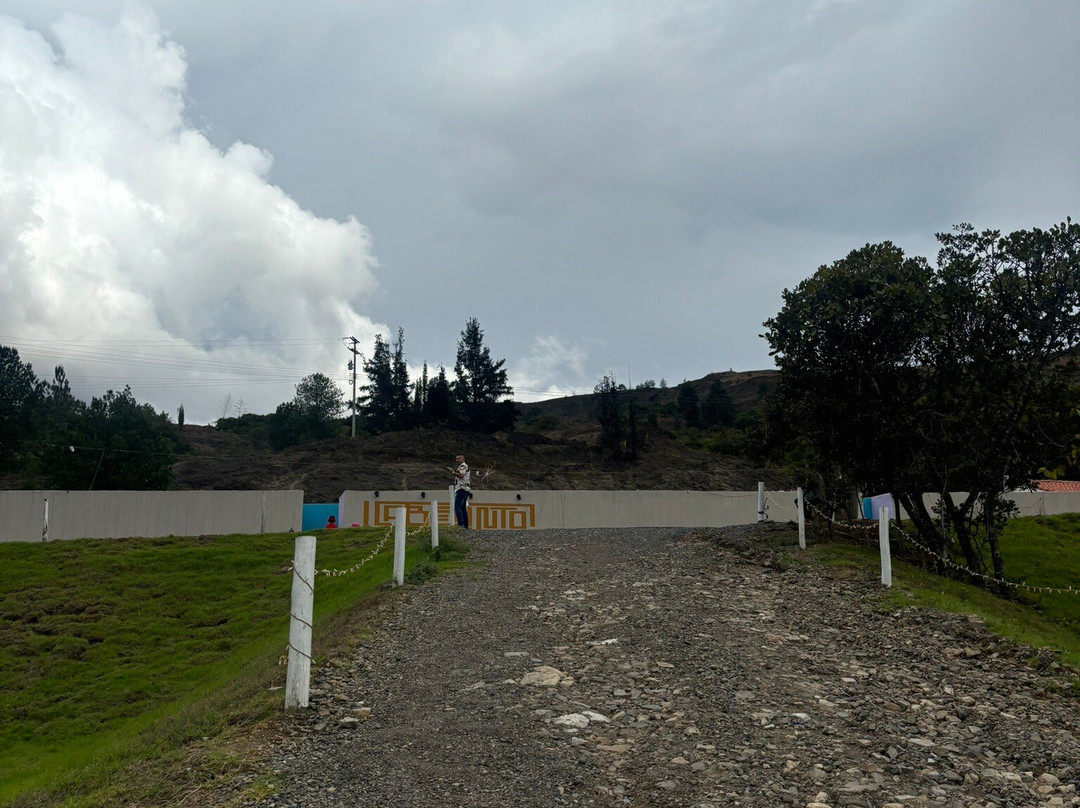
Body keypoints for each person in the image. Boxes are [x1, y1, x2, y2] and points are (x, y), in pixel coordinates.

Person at [453, 454, 471, 528]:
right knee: (463, 508)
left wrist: (453, 473)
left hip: (461, 488)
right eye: (456, 458)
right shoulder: (463, 466)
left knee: (457, 507)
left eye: (459, 458)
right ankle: (465, 525)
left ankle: (460, 525)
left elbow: (461, 475)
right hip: (465, 488)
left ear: (463, 459)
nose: (457, 460)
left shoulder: (462, 466)